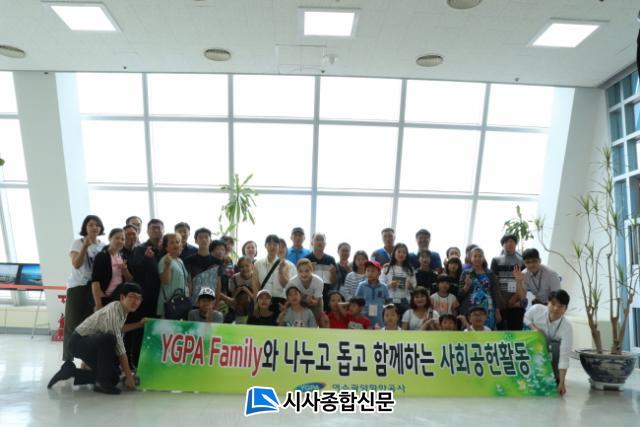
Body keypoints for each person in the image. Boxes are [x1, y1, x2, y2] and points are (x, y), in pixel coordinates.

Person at [47, 283, 146, 394]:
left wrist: (139, 324)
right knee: (110, 339)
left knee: (113, 377)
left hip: (89, 342)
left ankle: (71, 372)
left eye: (139, 298)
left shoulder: (122, 311)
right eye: (132, 296)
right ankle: (102, 384)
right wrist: (129, 376)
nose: (135, 301)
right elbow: (120, 347)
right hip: (78, 342)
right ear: (122, 297)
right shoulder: (114, 310)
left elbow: (119, 329)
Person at [63, 215, 106, 364]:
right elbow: (76, 264)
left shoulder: (103, 246)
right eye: (90, 225)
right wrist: (85, 247)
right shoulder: (78, 243)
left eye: (97, 225)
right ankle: (68, 360)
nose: (94, 227)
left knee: (91, 324)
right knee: (72, 323)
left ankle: (87, 361)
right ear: (85, 228)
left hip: (95, 287)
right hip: (78, 286)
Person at [128, 218, 164, 366]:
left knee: (158, 331)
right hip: (144, 299)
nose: (156, 230)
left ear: (163, 230)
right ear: (147, 231)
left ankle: (155, 363)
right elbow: (135, 271)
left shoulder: (164, 249)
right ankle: (137, 364)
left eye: (159, 228)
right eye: (153, 228)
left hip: (161, 298)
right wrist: (147, 259)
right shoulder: (140, 249)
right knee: (141, 330)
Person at [524, 290, 573, 395]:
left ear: (565, 308)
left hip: (552, 350)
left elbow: (564, 356)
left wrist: (562, 382)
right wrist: (534, 328)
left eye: (560, 306)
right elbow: (525, 318)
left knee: (555, 348)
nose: (556, 308)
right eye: (553, 304)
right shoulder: (537, 309)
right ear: (548, 303)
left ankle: (555, 377)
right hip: (534, 343)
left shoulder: (567, 327)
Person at [458, 247, 502, 330]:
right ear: (471, 258)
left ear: (483, 258)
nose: (477, 258)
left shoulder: (490, 273)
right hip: (470, 309)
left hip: (488, 309)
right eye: (475, 256)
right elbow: (460, 295)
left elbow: (495, 292)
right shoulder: (465, 273)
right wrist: (466, 286)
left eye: (480, 256)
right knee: (471, 332)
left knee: (487, 332)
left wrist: (497, 310)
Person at [91, 228, 134, 310]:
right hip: (105, 299)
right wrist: (98, 304)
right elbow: (95, 282)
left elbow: (130, 280)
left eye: (123, 239)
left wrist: (125, 270)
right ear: (110, 238)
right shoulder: (101, 256)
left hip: (119, 299)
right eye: (117, 238)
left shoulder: (123, 257)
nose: (120, 241)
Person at [491, 234, 527, 331]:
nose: (509, 244)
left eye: (512, 242)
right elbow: (494, 282)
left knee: (515, 330)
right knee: (500, 330)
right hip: (500, 301)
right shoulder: (496, 260)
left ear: (515, 244)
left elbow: (524, 282)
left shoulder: (522, 262)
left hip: (516, 302)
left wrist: (515, 298)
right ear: (502, 245)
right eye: (506, 242)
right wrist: (500, 299)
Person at [184, 227, 221, 306]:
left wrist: (216, 303)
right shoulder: (189, 260)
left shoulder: (217, 262)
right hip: (194, 301)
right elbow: (189, 283)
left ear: (210, 240)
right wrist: (188, 302)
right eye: (200, 237)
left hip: (211, 302)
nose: (203, 239)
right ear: (196, 241)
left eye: (206, 237)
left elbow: (218, 284)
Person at [257, 234, 296, 306]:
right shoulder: (258, 264)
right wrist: (256, 304)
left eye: (283, 247)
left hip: (283, 302)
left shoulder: (291, 266)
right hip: (263, 302)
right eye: (270, 244)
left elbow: (291, 288)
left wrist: (281, 271)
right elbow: (256, 285)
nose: (280, 249)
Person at [157, 233, 189, 319]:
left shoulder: (180, 261)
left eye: (177, 242)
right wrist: (167, 265)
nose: (175, 245)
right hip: (169, 303)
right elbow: (165, 281)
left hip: (181, 302)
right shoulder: (164, 260)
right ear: (166, 247)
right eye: (172, 242)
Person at [304, 232, 337, 311]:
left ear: (325, 243)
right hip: (311, 294)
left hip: (327, 295)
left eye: (322, 240)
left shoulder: (331, 259)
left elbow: (334, 281)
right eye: (317, 239)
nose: (320, 242)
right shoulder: (306, 259)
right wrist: (309, 271)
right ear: (312, 242)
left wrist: (333, 273)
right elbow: (302, 280)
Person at [381, 243, 416, 316]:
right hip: (390, 299)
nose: (401, 254)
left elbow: (415, 286)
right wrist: (389, 285)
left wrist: (411, 287)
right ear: (394, 253)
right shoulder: (387, 268)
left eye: (404, 252)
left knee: (405, 321)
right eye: (399, 251)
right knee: (390, 321)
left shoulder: (410, 269)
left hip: (405, 300)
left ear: (406, 255)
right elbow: (380, 285)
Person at [355, 260, 390, 329]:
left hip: (379, 319)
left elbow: (388, 302)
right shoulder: (361, 285)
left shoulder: (384, 287)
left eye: (373, 271)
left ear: (379, 273)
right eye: (368, 270)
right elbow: (357, 302)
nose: (370, 273)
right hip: (364, 318)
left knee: (378, 335)